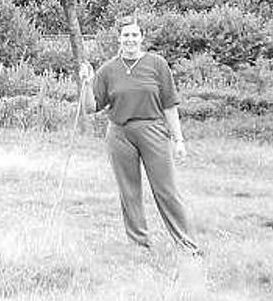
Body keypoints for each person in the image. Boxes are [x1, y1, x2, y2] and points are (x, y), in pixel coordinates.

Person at [79, 19, 202, 256]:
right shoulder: (108, 69)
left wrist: (179, 140)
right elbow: (90, 107)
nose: (130, 39)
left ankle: (187, 245)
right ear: (119, 39)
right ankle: (139, 246)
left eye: (135, 35)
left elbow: (169, 105)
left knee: (166, 189)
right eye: (126, 35)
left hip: (153, 130)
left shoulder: (157, 64)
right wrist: (86, 82)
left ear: (142, 38)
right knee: (129, 191)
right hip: (119, 133)